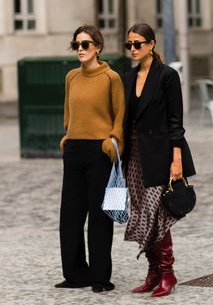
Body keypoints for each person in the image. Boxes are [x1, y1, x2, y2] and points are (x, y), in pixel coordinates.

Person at [122, 23, 196, 298]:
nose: (133, 48)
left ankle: (168, 273)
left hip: (161, 154)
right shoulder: (128, 77)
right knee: (142, 212)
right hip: (135, 156)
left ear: (151, 44)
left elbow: (176, 121)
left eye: (138, 43)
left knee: (157, 211)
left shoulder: (167, 76)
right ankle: (153, 272)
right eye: (129, 44)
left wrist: (176, 159)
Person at [55, 25, 125, 293]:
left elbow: (119, 116)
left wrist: (112, 141)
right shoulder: (71, 77)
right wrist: (67, 137)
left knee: (99, 216)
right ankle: (75, 274)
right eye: (77, 45)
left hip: (100, 152)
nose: (80, 50)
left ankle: (99, 278)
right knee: (70, 215)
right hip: (74, 150)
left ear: (98, 47)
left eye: (85, 44)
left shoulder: (111, 78)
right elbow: (67, 113)